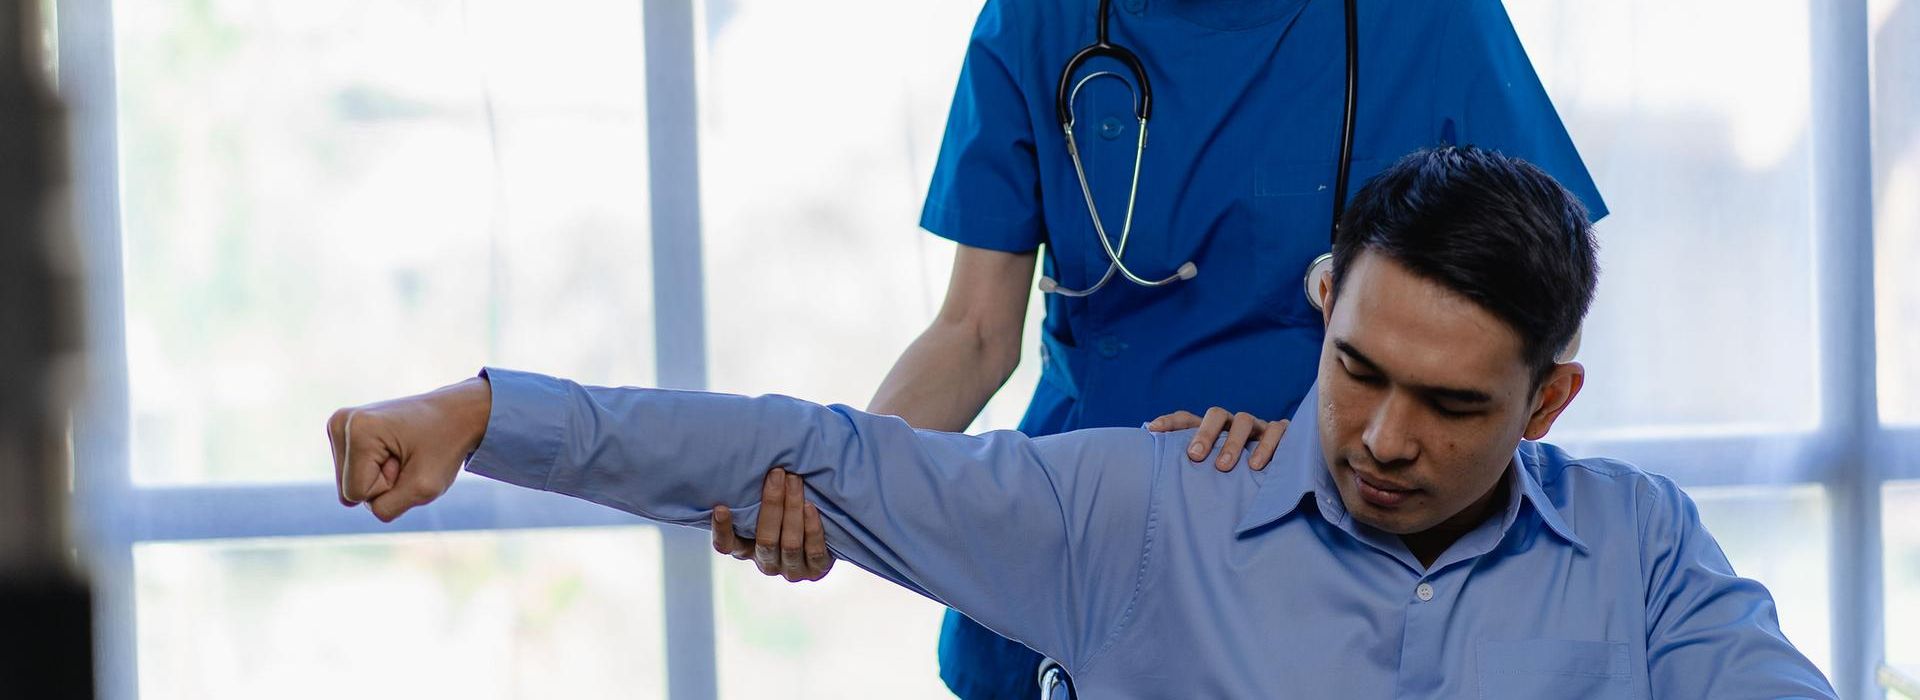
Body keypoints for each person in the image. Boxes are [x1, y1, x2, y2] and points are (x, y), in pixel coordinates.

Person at [325, 147, 1832, 697]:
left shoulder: (1636, 548)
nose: (1379, 438)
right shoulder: (1137, 513)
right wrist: (482, 411)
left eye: (1450, 408)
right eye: (1358, 369)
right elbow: (816, 449)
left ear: (1550, 401)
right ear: (1322, 304)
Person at [710, 1, 1612, 695]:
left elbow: (1544, 301)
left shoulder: (1425, 19)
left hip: (1321, 554)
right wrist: (835, 481)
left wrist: (1317, 435)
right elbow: (974, 333)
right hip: (1077, 543)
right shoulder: (1040, 17)